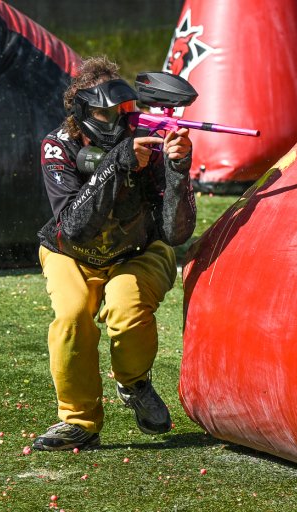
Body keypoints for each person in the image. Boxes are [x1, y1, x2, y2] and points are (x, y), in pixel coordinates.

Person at [33, 56, 196, 451]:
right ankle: (79, 421)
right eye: (105, 114)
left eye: (124, 111)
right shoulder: (59, 146)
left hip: (139, 251)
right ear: (83, 114)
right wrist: (115, 165)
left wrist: (177, 168)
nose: (118, 121)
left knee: (127, 305)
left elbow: (176, 233)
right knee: (72, 317)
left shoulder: (150, 142)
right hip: (71, 253)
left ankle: (135, 383)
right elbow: (72, 225)